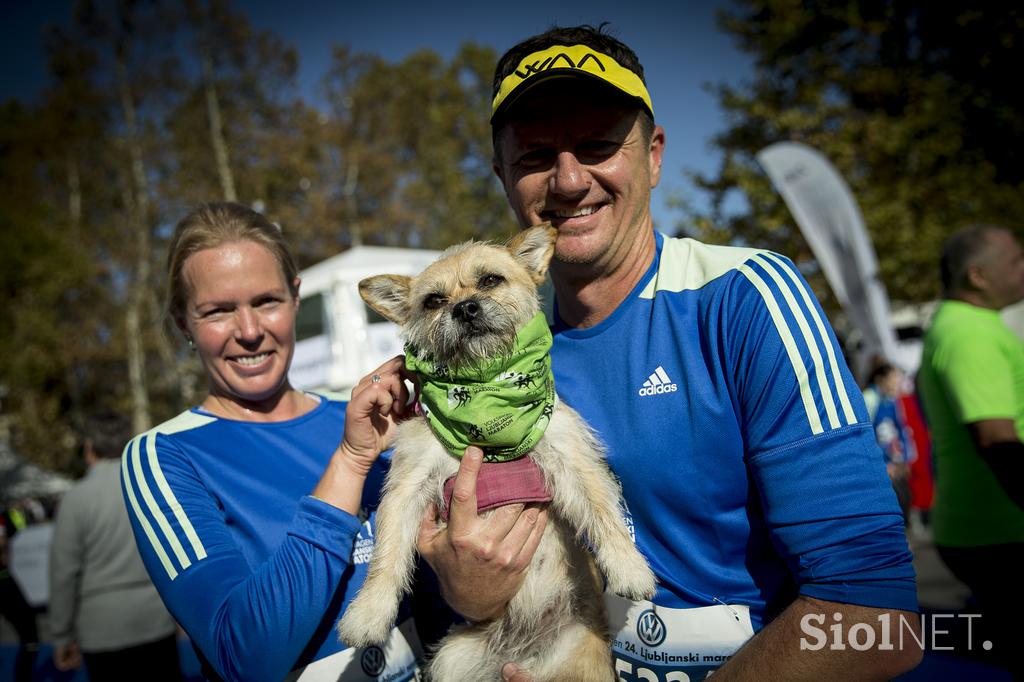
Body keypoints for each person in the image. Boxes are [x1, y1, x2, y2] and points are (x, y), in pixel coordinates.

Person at [416, 25, 922, 681]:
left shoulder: (743, 297)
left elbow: (877, 619)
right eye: (536, 156)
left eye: (598, 145)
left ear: (653, 155)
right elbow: (462, 566)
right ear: (504, 177)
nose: (569, 180)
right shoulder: (488, 348)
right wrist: (467, 591)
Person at [122, 202, 438, 681]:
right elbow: (245, 658)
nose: (249, 332)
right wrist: (351, 463)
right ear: (184, 322)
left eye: (266, 301)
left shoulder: (362, 410)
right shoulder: (165, 455)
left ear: (295, 297)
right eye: (218, 311)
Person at [916, 224, 1024, 676]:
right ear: (978, 277)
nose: (1023, 270)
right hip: (999, 534)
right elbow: (996, 441)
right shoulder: (968, 334)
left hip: (991, 531)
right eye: (1016, 262)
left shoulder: (969, 324)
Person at [48, 410, 182, 680]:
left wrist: (62, 635)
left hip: (102, 629)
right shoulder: (150, 487)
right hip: (154, 620)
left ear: (89, 448)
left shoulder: (77, 498)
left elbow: (64, 572)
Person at [862, 362, 912, 526]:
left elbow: (898, 429)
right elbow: (866, 434)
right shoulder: (869, 398)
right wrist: (882, 463)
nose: (897, 383)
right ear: (880, 379)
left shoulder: (890, 399)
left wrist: (903, 457)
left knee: (905, 501)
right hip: (881, 464)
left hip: (894, 459)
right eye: (893, 378)